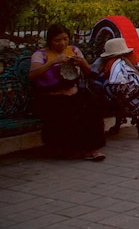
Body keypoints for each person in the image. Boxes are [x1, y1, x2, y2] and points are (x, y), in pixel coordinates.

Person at [28, 24, 106, 161]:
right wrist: (52, 63)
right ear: (50, 41)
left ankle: (92, 148)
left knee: (91, 106)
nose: (62, 43)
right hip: (50, 96)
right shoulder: (40, 55)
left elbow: (89, 73)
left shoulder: (74, 50)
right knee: (67, 109)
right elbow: (33, 75)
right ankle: (71, 150)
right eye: (57, 40)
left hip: (72, 93)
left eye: (65, 39)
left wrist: (82, 63)